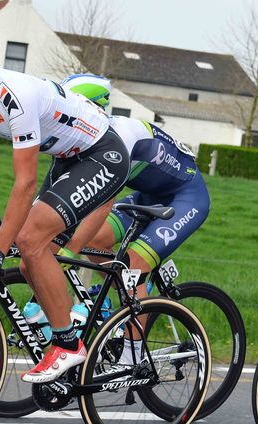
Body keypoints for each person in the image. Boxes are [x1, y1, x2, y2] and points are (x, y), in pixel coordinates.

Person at [0, 19, 130, 383]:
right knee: (29, 250)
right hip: (67, 160)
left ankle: (68, 345)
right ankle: (66, 331)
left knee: (28, 240)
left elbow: (25, 182)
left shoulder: (13, 97)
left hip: (101, 155)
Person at [58, 74, 210, 363]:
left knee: (131, 266)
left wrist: (68, 246)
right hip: (147, 198)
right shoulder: (84, 140)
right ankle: (127, 301)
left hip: (186, 199)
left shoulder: (120, 136)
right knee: (95, 240)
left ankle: (132, 354)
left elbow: (101, 202)